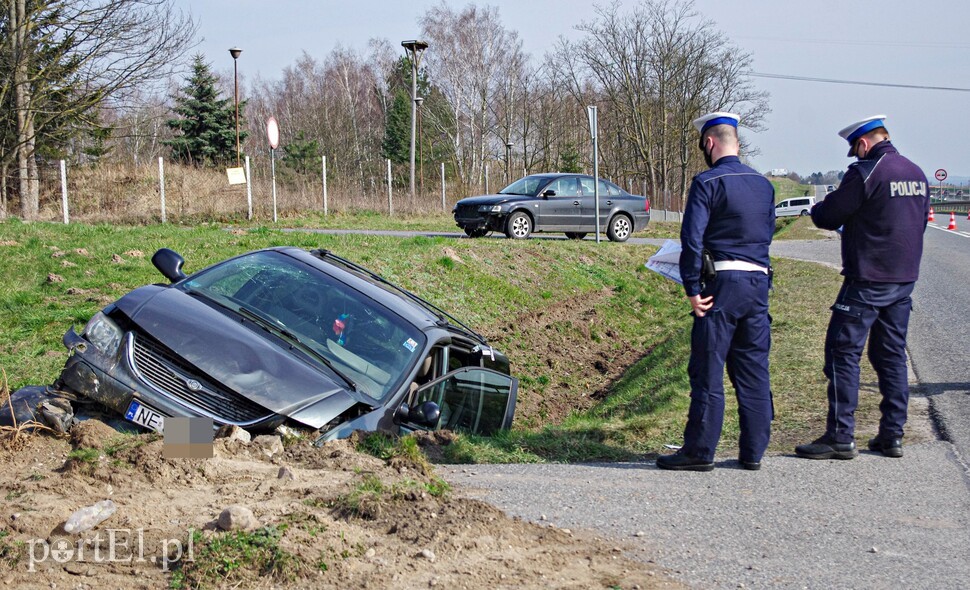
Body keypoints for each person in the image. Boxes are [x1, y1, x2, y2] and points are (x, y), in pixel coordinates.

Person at [795, 115, 929, 460]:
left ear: (864, 143)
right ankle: (892, 435)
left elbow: (828, 216)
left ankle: (840, 435)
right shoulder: (915, 172)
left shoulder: (865, 172)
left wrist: (819, 207)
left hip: (867, 278)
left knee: (842, 354)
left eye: (855, 149)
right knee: (891, 356)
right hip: (903, 280)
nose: (855, 156)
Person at [656, 112, 776, 472]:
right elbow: (766, 234)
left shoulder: (708, 182)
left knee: (708, 371)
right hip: (757, 286)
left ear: (709, 143)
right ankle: (753, 452)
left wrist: (692, 287)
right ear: (736, 142)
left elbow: (691, 239)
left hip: (720, 287)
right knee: (753, 371)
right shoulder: (764, 184)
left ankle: (699, 451)